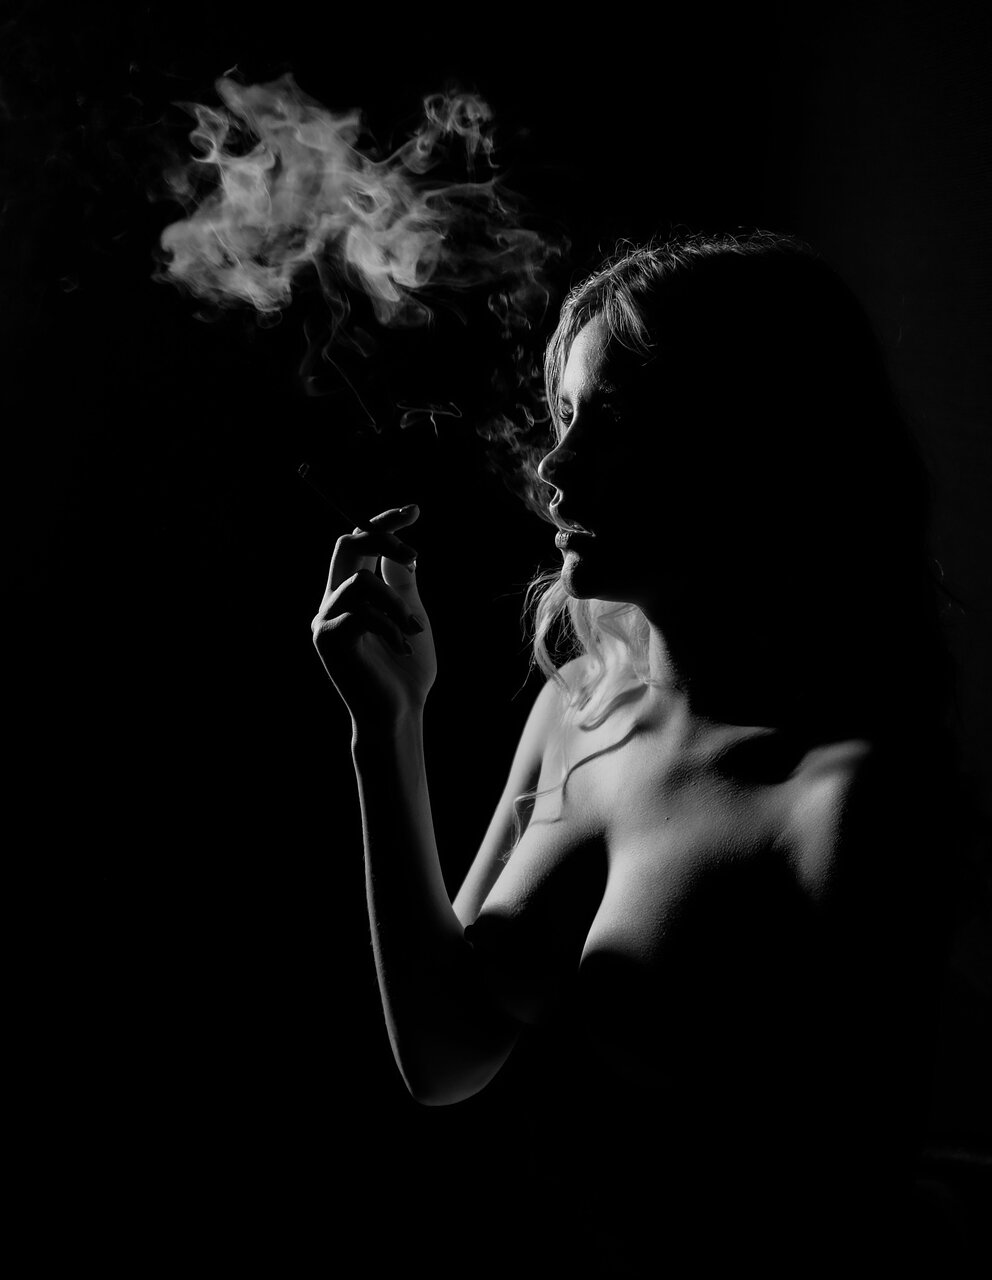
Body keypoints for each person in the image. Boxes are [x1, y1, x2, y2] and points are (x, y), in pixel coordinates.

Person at [311, 231, 962, 1271]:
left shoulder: (845, 797)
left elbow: (846, 1214)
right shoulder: (578, 707)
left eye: (610, 420)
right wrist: (386, 725)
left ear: (748, 447)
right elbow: (442, 1056)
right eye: (565, 415)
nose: (554, 466)